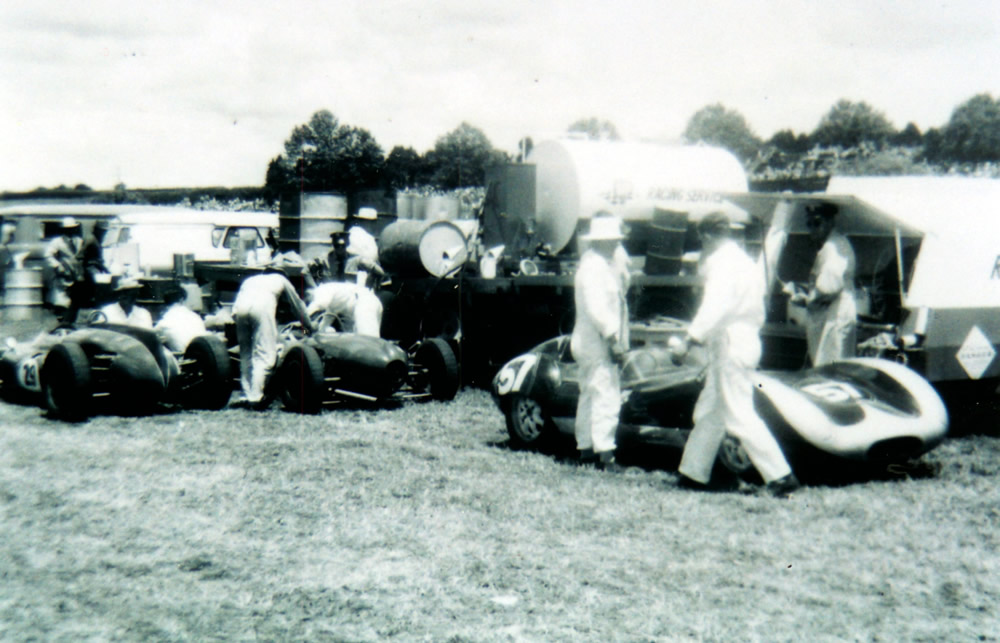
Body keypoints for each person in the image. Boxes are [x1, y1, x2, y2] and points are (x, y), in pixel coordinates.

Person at [671, 212, 799, 497]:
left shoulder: (723, 264)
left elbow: (715, 306)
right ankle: (693, 472)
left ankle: (780, 476)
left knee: (739, 413)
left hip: (731, 340)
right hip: (741, 339)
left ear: (705, 236)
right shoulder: (744, 262)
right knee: (712, 410)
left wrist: (690, 339)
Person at [570, 212, 631, 471]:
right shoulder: (594, 268)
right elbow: (597, 309)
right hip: (597, 341)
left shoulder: (597, 264)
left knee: (589, 395)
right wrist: (612, 338)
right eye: (613, 240)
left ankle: (586, 451)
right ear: (601, 240)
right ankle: (606, 456)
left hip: (588, 340)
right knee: (606, 396)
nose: (617, 244)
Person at [232, 266, 316, 407]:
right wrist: (309, 325)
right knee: (264, 354)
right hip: (261, 309)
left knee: (246, 354)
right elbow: (297, 306)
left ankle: (245, 395)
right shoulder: (281, 279)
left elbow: (236, 310)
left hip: (240, 311)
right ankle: (255, 398)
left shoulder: (250, 279)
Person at [788, 202, 857, 366]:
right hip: (831, 316)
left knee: (830, 368)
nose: (812, 228)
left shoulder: (834, 246)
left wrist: (806, 300)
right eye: (809, 224)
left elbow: (828, 287)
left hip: (834, 318)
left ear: (830, 222)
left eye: (817, 223)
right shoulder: (831, 244)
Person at [307, 280, 383, 337]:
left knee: (368, 340)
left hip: (364, 302)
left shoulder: (320, 290)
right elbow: (327, 320)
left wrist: (304, 318)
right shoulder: (331, 302)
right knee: (363, 339)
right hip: (367, 302)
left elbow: (319, 304)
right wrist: (315, 331)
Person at [44, 217, 84, 321]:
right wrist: (57, 265)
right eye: (68, 229)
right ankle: (61, 318)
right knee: (61, 296)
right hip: (63, 272)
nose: (70, 231)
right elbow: (48, 255)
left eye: (72, 228)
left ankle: (71, 319)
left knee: (75, 298)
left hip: (76, 273)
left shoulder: (79, 241)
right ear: (63, 229)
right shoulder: (57, 241)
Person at [154, 284, 207, 353]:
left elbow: (151, 339)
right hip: (204, 357)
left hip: (182, 360)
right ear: (182, 300)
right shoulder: (196, 317)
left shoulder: (164, 323)